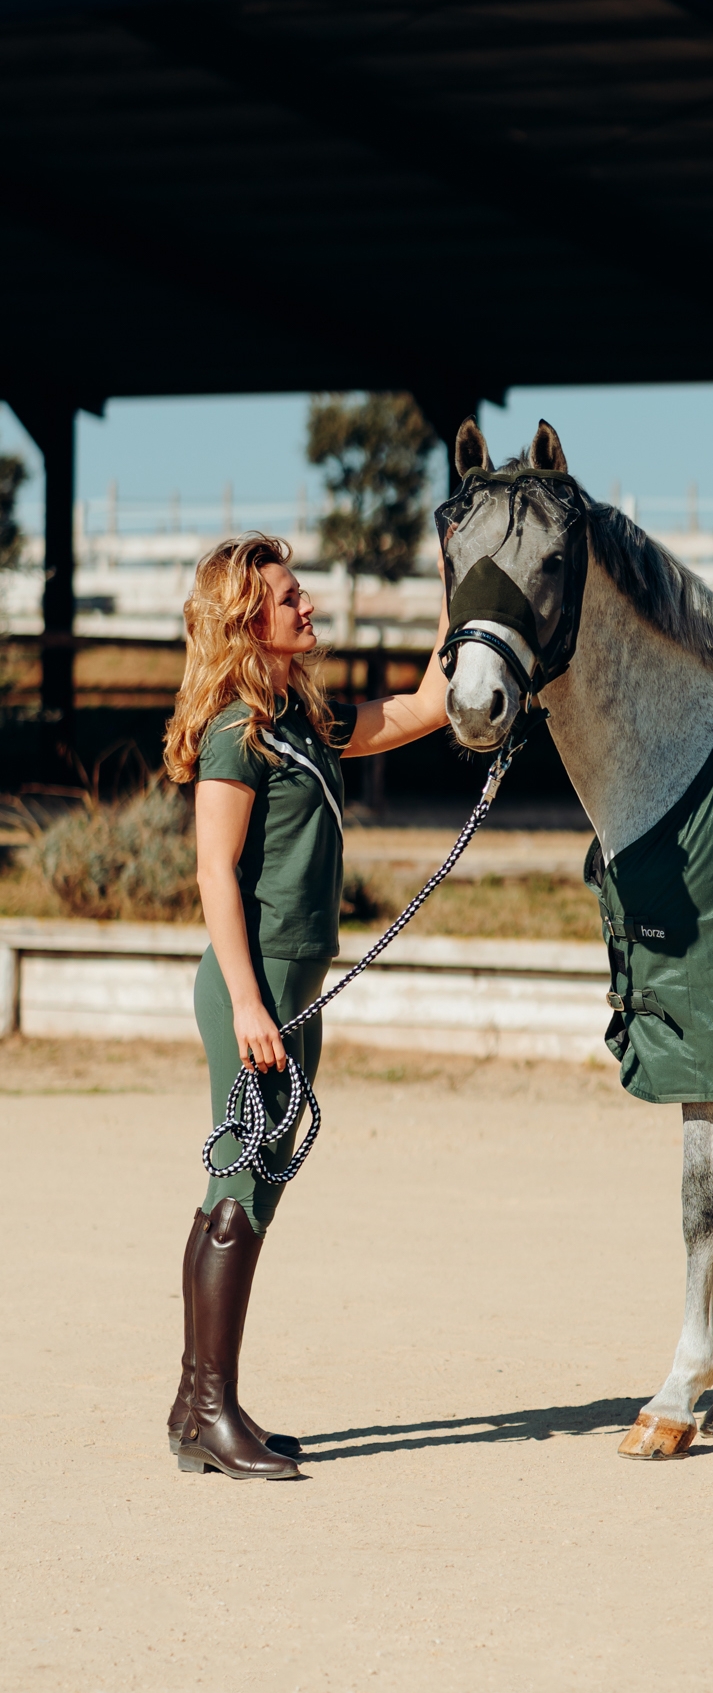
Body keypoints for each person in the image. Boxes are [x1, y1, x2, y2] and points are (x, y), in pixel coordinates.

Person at [161, 533, 452, 1481]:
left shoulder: (297, 717)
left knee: (250, 1188)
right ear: (251, 619)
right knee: (240, 1189)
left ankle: (194, 1406)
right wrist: (248, 1002)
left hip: (291, 987)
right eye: (290, 598)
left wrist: (461, 601)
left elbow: (422, 708)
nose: (308, 606)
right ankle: (209, 1412)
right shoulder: (236, 729)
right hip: (257, 989)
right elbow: (213, 871)